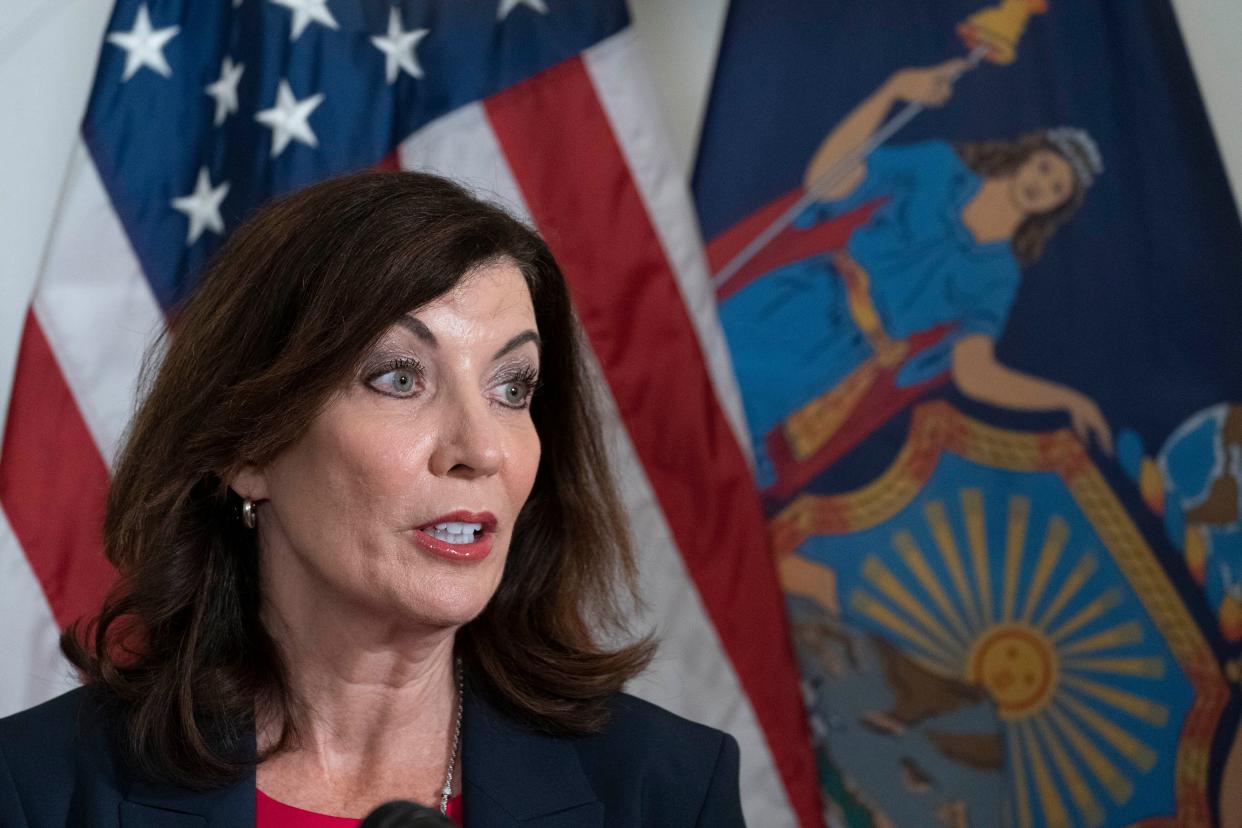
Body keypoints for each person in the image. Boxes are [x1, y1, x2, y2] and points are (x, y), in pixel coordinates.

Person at [0, 172, 745, 827]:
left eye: (512, 388)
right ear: (247, 448)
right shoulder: (38, 789)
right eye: (399, 378)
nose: (480, 450)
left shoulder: (664, 788)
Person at [719, 59, 1113, 486]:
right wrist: (892, 91)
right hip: (805, 293)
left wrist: (1066, 399)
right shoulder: (939, 167)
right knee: (697, 366)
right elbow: (827, 182)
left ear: (1056, 209)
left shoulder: (999, 276)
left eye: (1057, 188)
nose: (1043, 184)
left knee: (730, 435)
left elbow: (973, 372)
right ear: (1029, 154)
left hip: (842, 352)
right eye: (1046, 167)